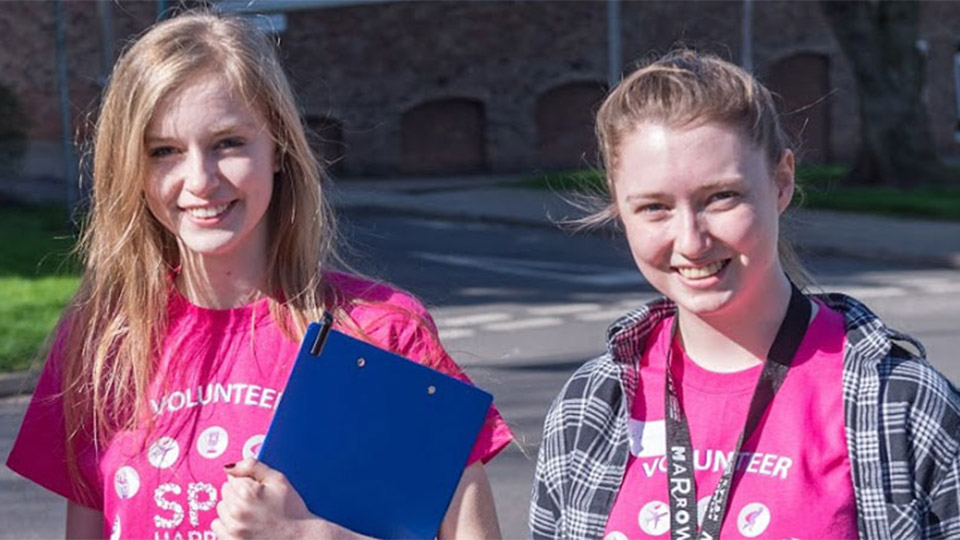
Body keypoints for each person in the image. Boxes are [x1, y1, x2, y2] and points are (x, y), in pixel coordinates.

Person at [6, 11, 512, 540]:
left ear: (278, 149)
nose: (199, 180)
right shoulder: (103, 342)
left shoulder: (378, 335)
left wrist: (308, 535)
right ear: (133, 169)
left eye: (228, 142)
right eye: (164, 151)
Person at [530, 50, 960, 540]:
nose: (691, 241)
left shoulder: (900, 404)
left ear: (781, 181)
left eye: (721, 197)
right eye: (654, 207)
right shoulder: (589, 405)